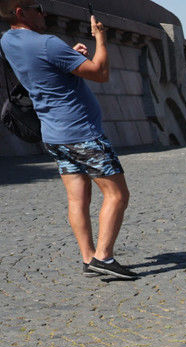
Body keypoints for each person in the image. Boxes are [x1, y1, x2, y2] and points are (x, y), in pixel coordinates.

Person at [0, 1, 136, 279]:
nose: (43, 12)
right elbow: (101, 73)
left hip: (54, 135)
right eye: (37, 7)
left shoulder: (8, 41)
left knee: (78, 199)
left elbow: (43, 66)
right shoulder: (48, 43)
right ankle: (104, 257)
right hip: (81, 132)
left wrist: (68, 57)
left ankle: (88, 258)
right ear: (19, 12)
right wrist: (100, 38)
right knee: (117, 194)